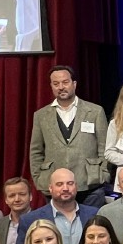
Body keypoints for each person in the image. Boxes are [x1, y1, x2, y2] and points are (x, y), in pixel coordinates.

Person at [28, 65, 110, 197]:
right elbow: (36, 151)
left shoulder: (95, 111)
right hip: (56, 186)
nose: (61, 87)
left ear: (74, 84)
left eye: (65, 82)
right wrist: (39, 178)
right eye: (56, 83)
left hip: (91, 183)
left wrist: (103, 173)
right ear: (51, 86)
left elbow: (104, 146)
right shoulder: (41, 115)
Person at [14, 168, 85, 244]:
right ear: (50, 188)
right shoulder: (29, 220)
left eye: (70, 184)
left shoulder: (94, 213)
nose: (65, 188)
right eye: (59, 184)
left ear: (76, 186)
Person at [0, 176, 34, 244]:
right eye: (12, 196)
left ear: (30, 197)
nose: (17, 199)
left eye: (22, 194)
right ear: (6, 200)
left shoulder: (41, 221)